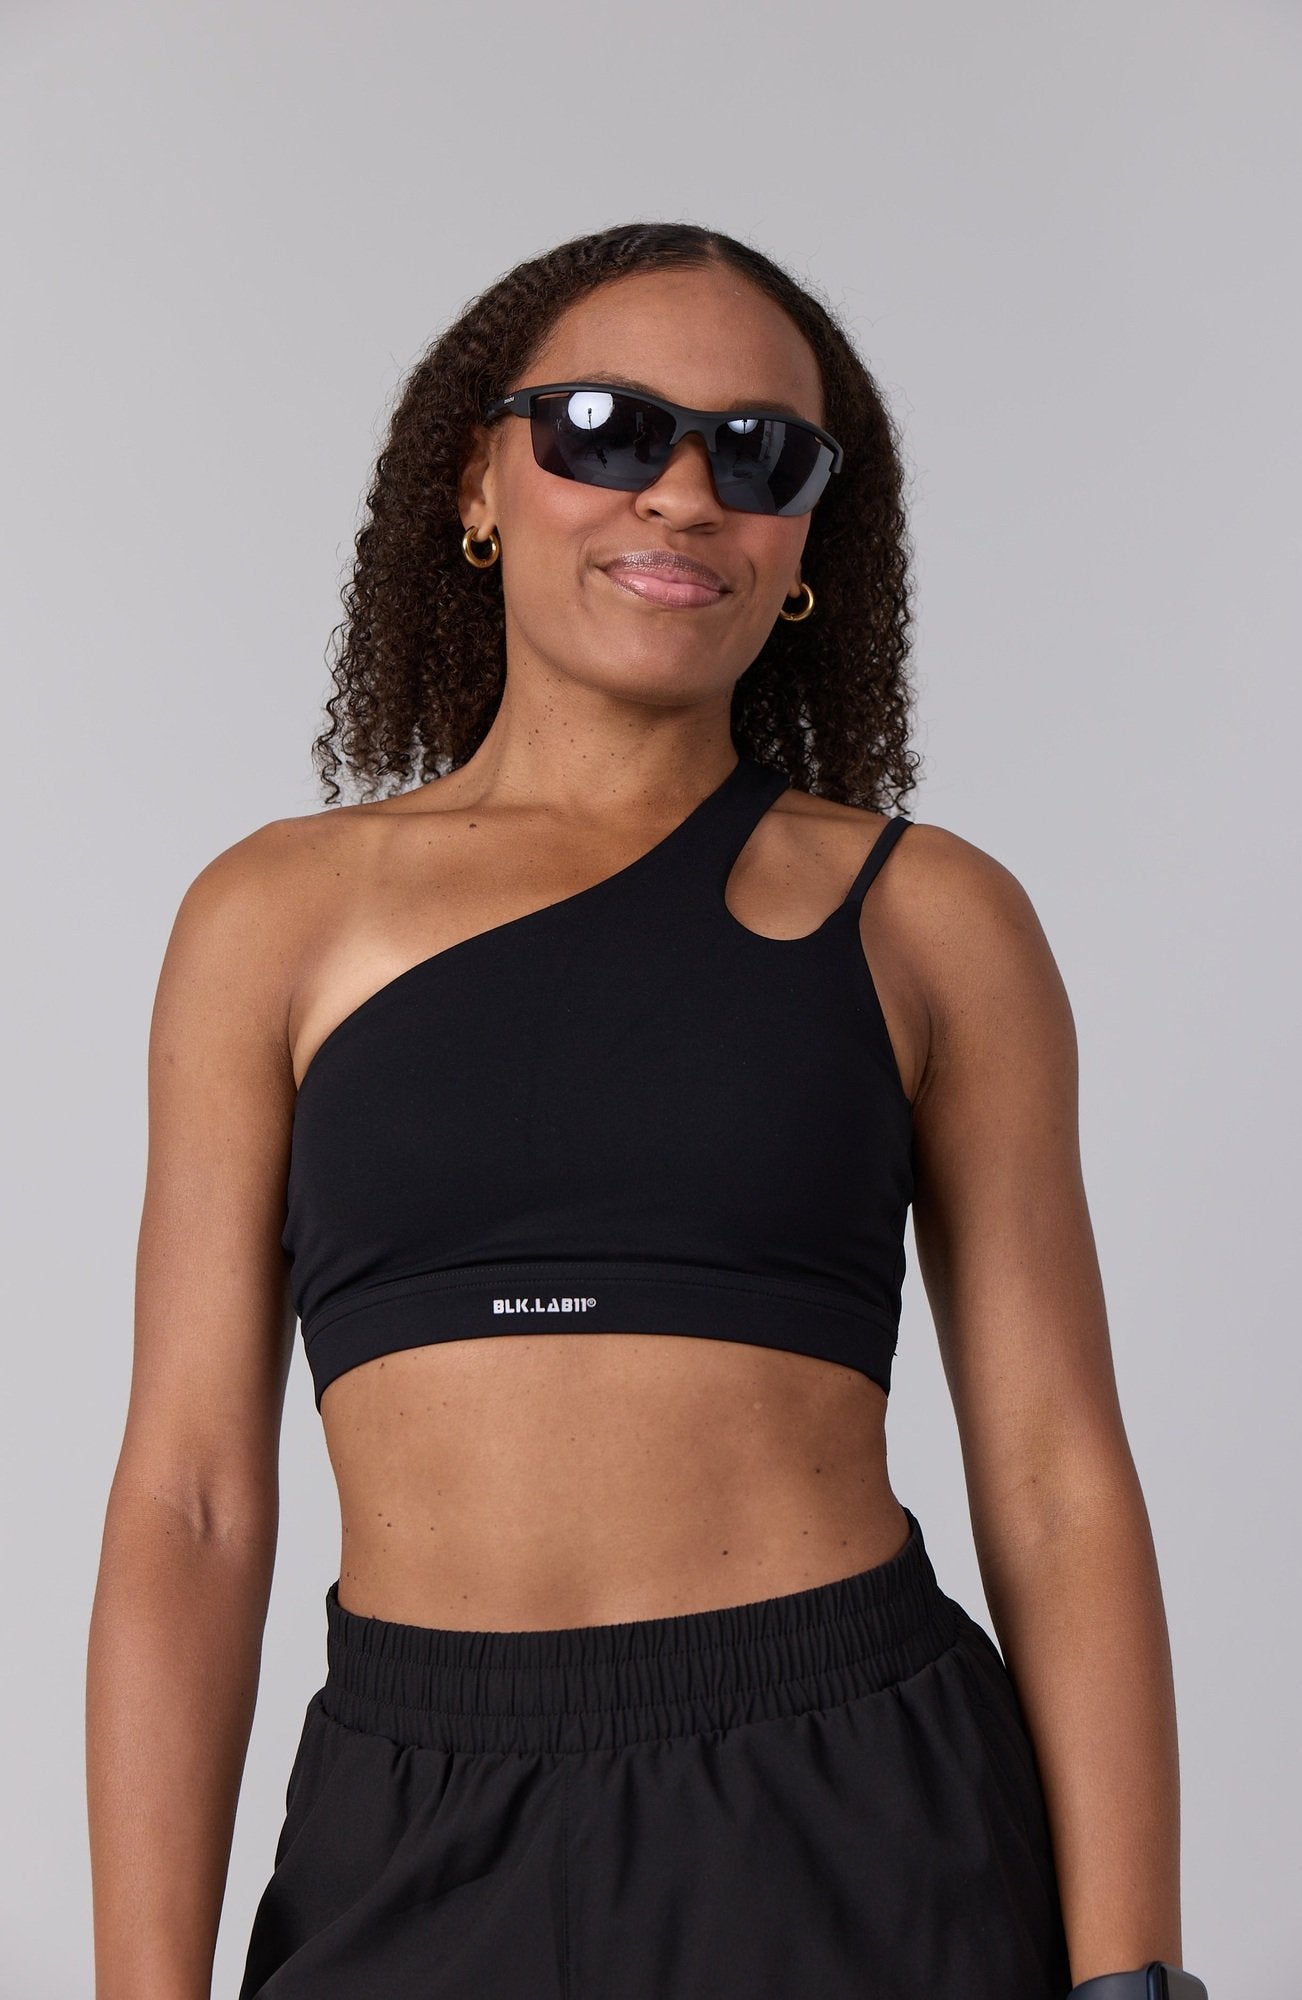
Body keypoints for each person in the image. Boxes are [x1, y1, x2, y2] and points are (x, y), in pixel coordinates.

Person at [86, 220, 1193, 2000]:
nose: (680, 493)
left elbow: (1057, 1482)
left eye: (758, 454)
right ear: (477, 482)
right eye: (604, 427)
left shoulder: (927, 918)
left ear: (806, 539)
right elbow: (192, 1502)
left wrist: (1130, 1973)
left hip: (851, 1798)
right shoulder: (274, 916)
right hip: (410, 1815)